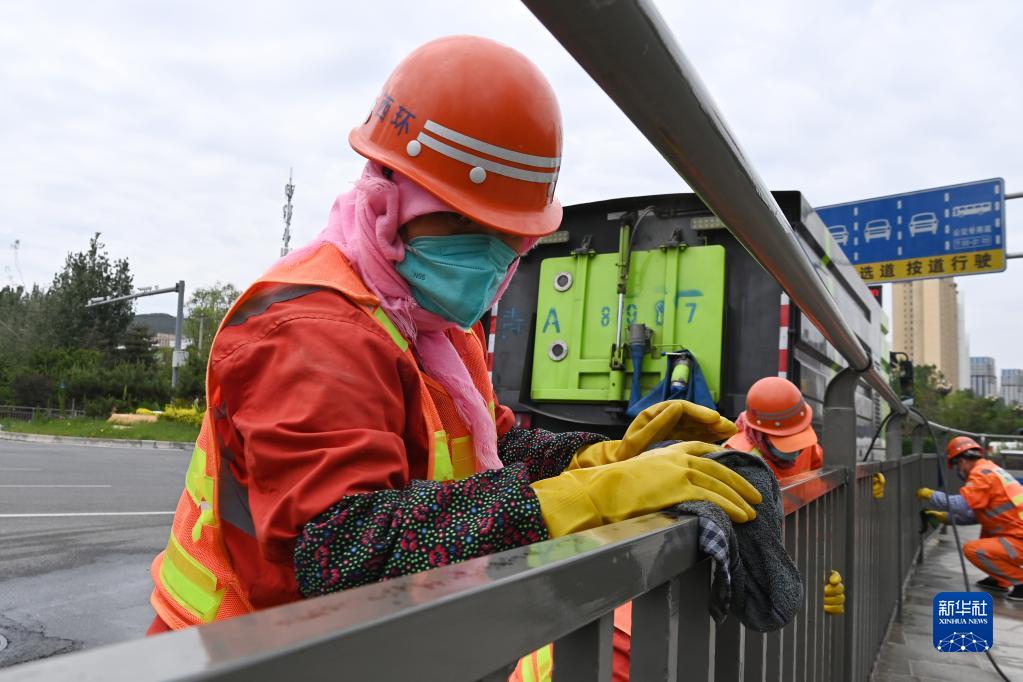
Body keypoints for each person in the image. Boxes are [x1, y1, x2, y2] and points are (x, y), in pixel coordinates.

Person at [146, 35, 762, 679]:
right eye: (466, 224)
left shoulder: (436, 328)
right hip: (250, 660)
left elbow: (492, 449)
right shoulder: (308, 330)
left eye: (509, 236)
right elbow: (343, 550)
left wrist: (609, 455)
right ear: (388, 201)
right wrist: (588, 497)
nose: (491, 256)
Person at [918, 436, 1023, 601]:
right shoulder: (989, 469)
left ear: (962, 461)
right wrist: (946, 518)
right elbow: (976, 515)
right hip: (1015, 534)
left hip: (1018, 538)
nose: (959, 471)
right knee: (987, 529)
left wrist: (930, 495)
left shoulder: (981, 475)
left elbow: (961, 505)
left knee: (974, 550)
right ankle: (998, 579)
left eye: (956, 465)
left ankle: (1020, 582)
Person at [724, 377, 823, 479]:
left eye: (796, 433)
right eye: (785, 439)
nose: (796, 449)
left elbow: (822, 468)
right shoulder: (737, 459)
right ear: (761, 433)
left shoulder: (805, 441)